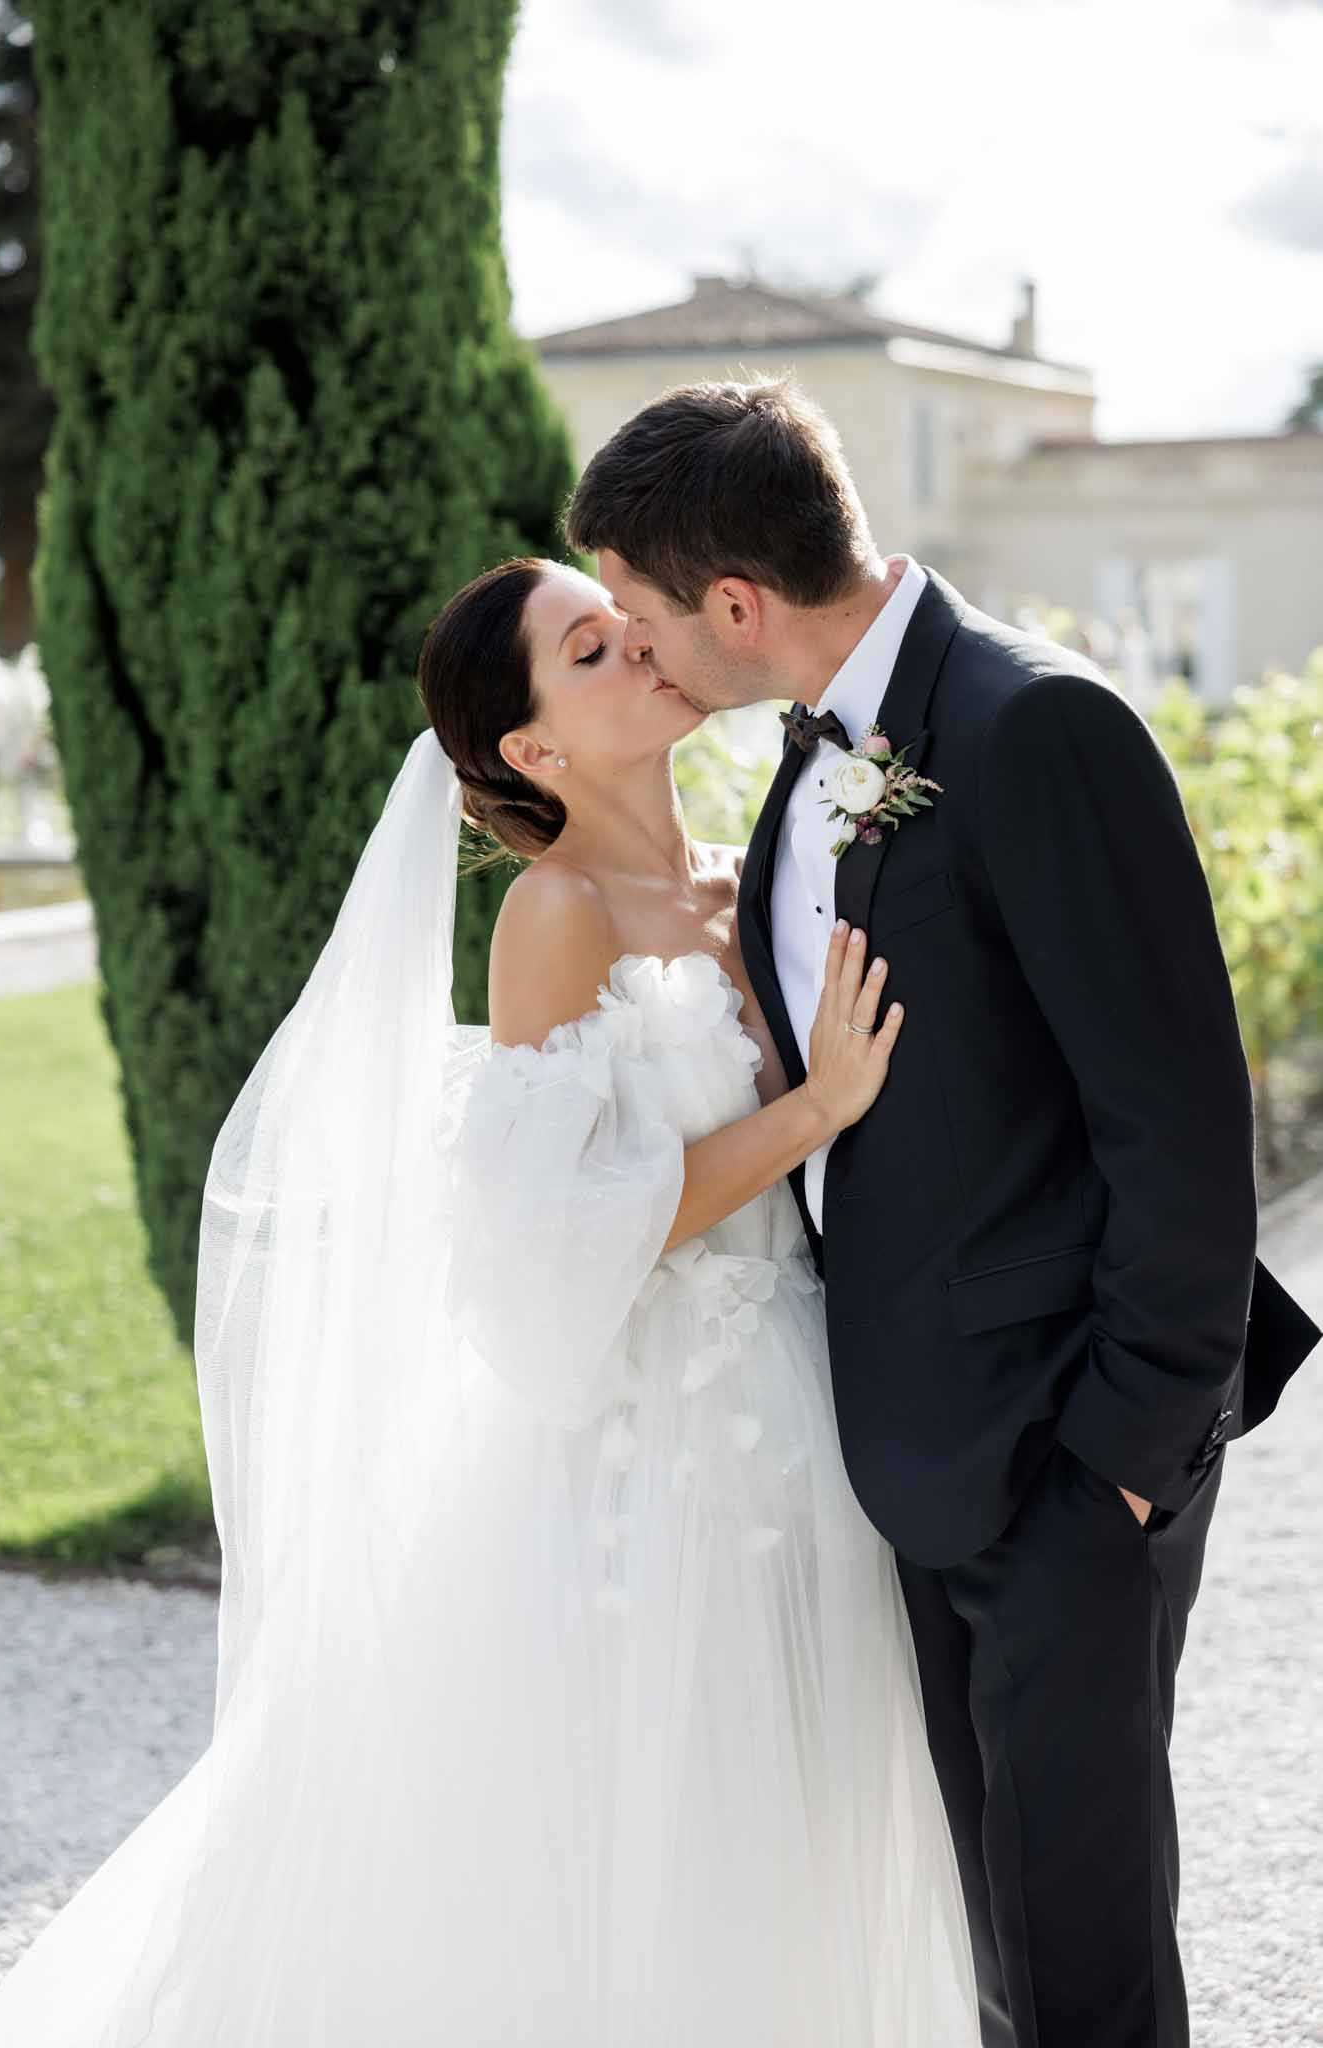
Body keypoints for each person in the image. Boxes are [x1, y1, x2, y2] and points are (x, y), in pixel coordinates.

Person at [0, 555, 982, 2046]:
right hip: (649, 1459)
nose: (639, 645)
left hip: (806, 1402)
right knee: (648, 1830)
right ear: (532, 750)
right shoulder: (555, 917)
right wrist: (811, 1109)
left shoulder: (756, 869)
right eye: (590, 647)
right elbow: (561, 1236)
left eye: (628, 625)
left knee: (812, 1808)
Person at [562, 373, 1322, 2048]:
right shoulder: (813, 751)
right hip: (912, 1450)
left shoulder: (1034, 725)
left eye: (639, 614)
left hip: (1062, 1455)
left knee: (1079, 1967)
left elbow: (1182, 1125)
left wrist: (1117, 1467)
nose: (641, 651)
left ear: (737, 605)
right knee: (991, 1942)